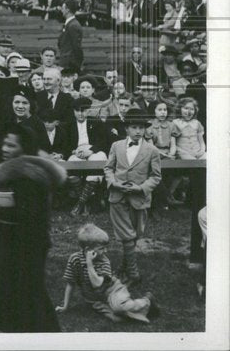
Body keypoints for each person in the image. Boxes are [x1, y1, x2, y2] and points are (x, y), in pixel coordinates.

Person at [0, 123, 66, 332]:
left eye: (11, 145)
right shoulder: (13, 174)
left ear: (24, 149)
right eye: (4, 144)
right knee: (19, 295)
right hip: (14, 242)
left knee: (28, 295)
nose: (5, 149)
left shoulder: (30, 177)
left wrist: (2, 210)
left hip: (27, 244)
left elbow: (29, 216)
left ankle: (45, 337)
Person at [103, 108, 162, 284]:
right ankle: (134, 274)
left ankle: (124, 267)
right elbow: (108, 168)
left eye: (141, 128)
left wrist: (141, 188)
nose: (138, 131)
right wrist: (113, 183)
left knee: (134, 235)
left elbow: (156, 176)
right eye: (134, 127)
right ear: (126, 129)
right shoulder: (117, 146)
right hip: (118, 196)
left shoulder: (152, 150)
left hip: (139, 199)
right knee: (127, 235)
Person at [56, 223, 158, 323]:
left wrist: (89, 263)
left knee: (119, 308)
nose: (106, 250)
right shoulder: (74, 259)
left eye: (105, 247)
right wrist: (65, 306)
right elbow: (70, 283)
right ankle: (137, 308)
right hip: (96, 301)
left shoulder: (104, 261)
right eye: (101, 248)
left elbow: (96, 284)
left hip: (113, 291)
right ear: (88, 250)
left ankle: (146, 301)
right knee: (118, 319)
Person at [57, 0, 84, 73]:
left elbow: (76, 46)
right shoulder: (69, 24)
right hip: (66, 60)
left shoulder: (73, 25)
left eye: (63, 8)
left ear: (67, 9)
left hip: (70, 63)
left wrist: (77, 63)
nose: (61, 10)